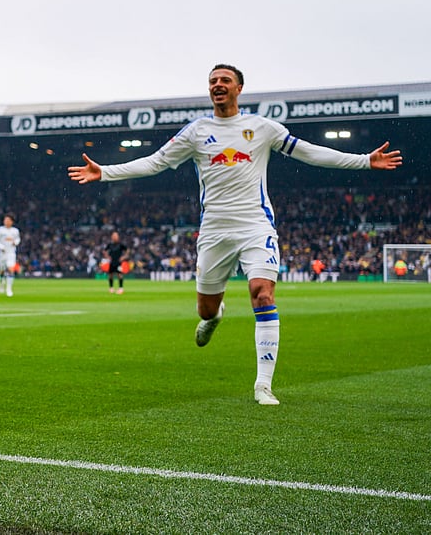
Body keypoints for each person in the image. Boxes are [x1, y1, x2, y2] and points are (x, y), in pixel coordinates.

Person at [68, 64, 402, 405]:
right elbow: (156, 162)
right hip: (214, 230)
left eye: (225, 80)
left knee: (262, 293)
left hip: (255, 225)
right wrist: (105, 172)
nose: (218, 85)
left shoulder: (261, 128)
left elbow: (308, 151)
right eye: (213, 81)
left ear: (239, 88)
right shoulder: (196, 132)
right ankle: (215, 317)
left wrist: (363, 161)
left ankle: (263, 385)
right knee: (205, 309)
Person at [0, 215, 21, 297]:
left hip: (11, 253)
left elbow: (18, 239)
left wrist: (16, 242)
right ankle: (1, 284)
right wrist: (1, 247)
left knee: (11, 269)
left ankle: (9, 289)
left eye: (8, 220)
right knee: (1, 271)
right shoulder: (0, 230)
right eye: (5, 220)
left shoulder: (15, 231)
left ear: (12, 221)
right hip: (2, 253)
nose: (6, 221)